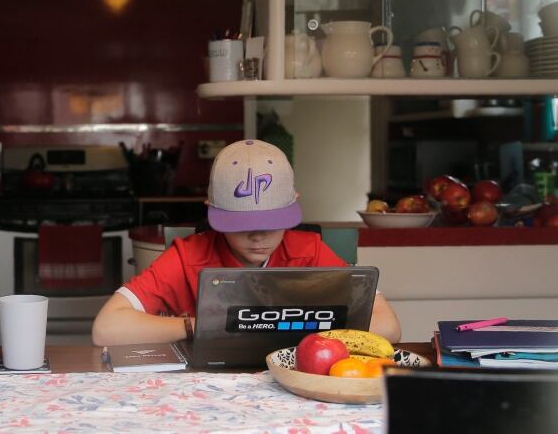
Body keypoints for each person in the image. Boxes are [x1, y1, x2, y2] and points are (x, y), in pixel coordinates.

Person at [92, 139, 401, 346]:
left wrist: (291, 328)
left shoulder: (309, 250)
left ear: (293, 204)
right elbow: (105, 328)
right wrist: (198, 326)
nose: (258, 236)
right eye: (241, 226)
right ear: (212, 209)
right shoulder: (188, 256)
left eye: (271, 223)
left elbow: (388, 326)